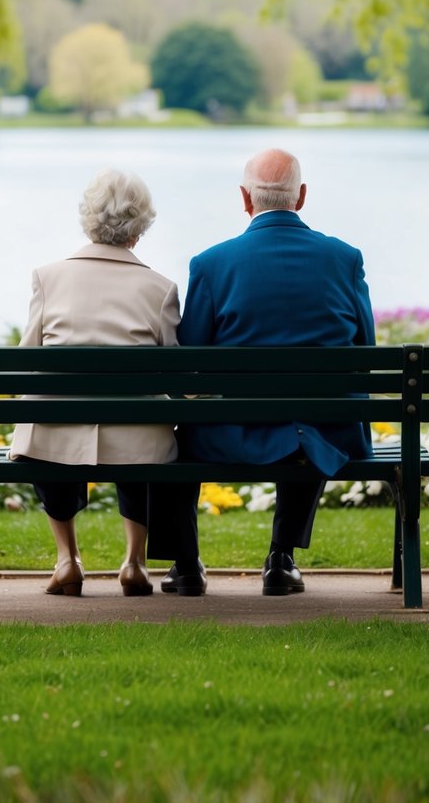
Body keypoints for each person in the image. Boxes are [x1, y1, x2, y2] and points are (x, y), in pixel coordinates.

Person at [174, 148, 374, 597]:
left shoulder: (210, 265)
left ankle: (186, 565)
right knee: (308, 421)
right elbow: (365, 352)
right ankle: (281, 558)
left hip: (236, 433)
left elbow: (187, 369)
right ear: (300, 197)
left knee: (175, 436)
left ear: (245, 199)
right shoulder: (345, 259)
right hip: (328, 433)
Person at [9, 168, 203, 598]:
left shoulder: (48, 277)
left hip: (53, 437)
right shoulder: (160, 289)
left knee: (48, 431)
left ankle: (68, 560)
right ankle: (134, 563)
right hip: (137, 440)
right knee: (142, 439)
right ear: (140, 229)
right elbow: (178, 379)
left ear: (88, 220)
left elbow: (25, 364)